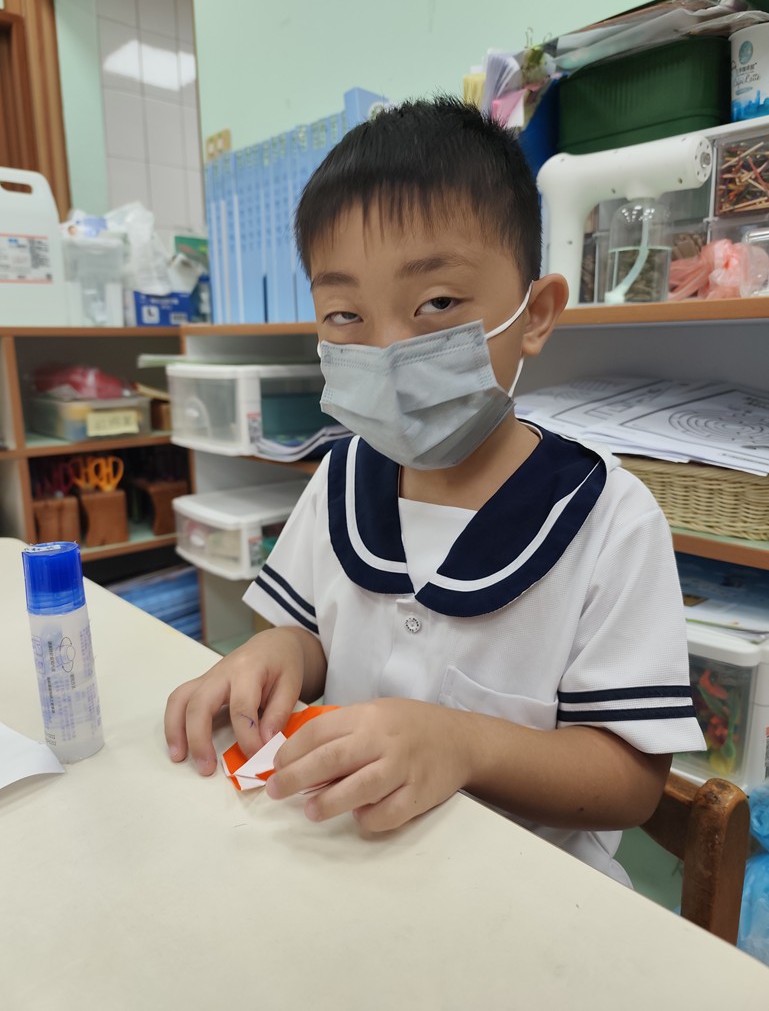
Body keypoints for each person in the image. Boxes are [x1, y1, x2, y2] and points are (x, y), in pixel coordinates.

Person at [165, 97, 705, 882]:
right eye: (343, 313)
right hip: (347, 862)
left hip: (528, 894)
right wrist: (275, 651)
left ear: (534, 314)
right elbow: (309, 637)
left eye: (437, 304)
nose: (387, 350)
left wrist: (462, 744)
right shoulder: (340, 478)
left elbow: (629, 781)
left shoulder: (609, 520)